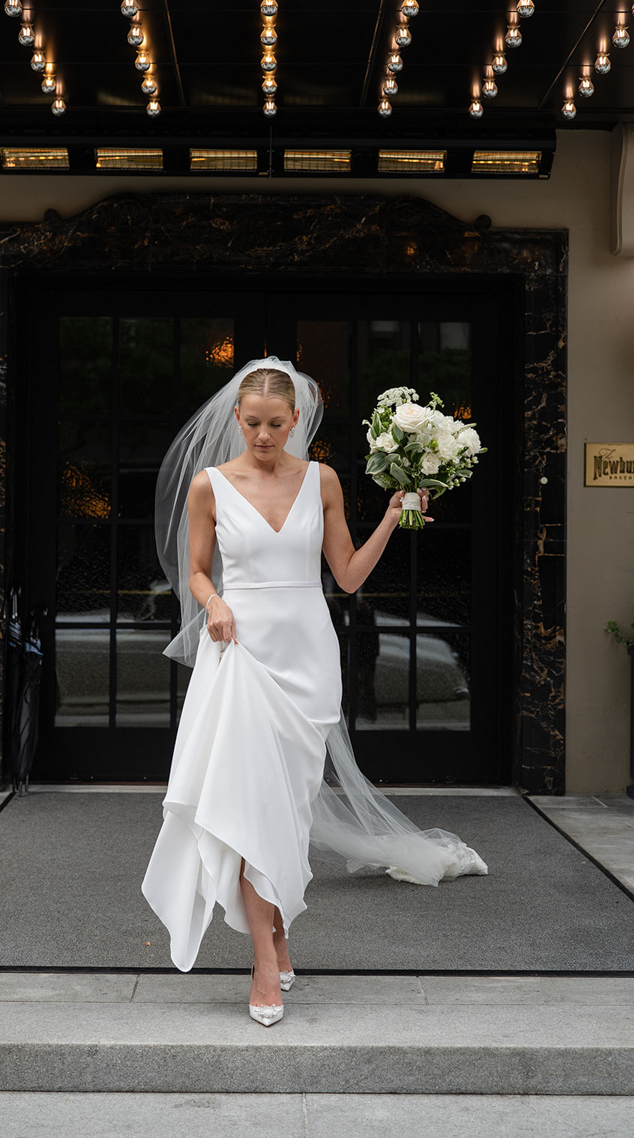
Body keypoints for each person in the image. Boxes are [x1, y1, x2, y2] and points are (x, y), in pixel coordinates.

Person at [142, 357, 486, 1027]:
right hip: (238, 654)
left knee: (290, 810)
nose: (263, 436)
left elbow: (349, 577)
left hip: (307, 657)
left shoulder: (322, 481)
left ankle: (277, 930)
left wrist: (393, 514)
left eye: (275, 424)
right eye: (252, 424)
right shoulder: (209, 486)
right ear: (236, 420)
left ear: (296, 420)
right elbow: (196, 572)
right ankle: (264, 963)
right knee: (246, 807)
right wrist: (212, 603)